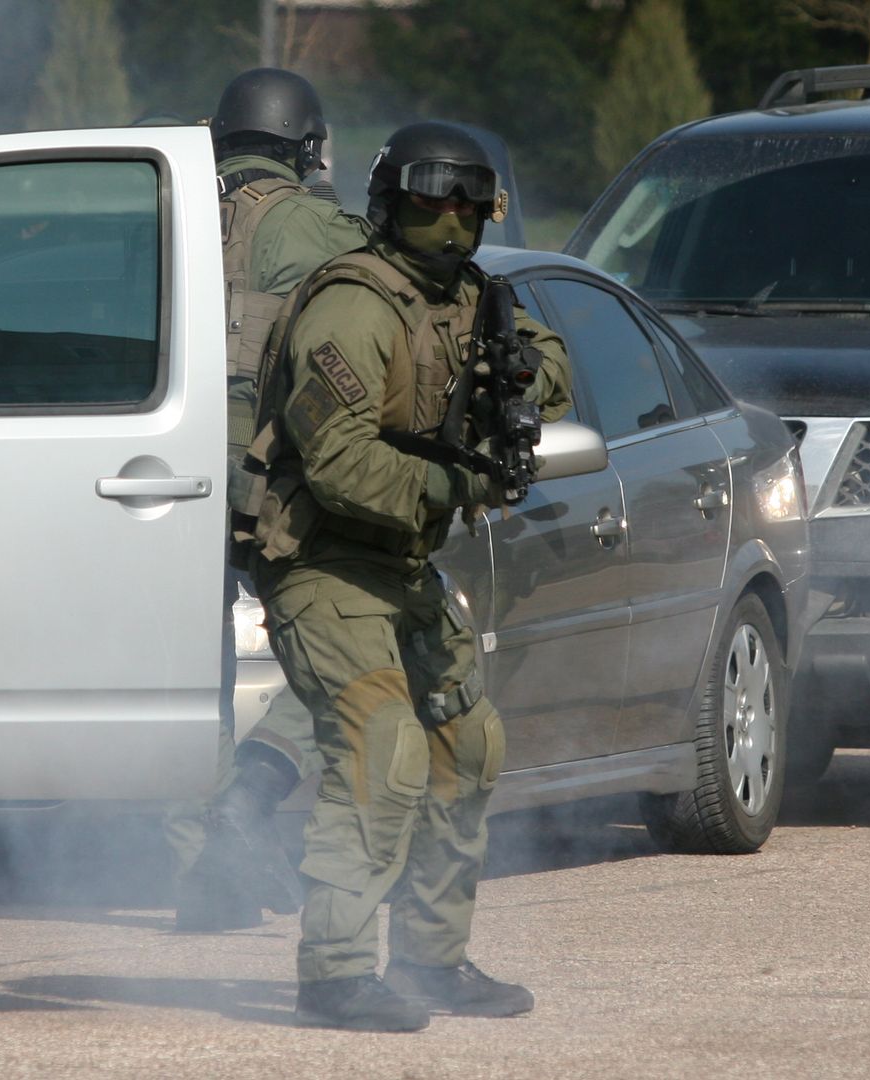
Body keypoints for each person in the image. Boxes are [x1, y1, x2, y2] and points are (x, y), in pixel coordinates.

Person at [244, 120, 571, 1031]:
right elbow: (341, 461)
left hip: (405, 563)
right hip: (323, 560)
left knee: (466, 746)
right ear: (391, 201)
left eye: (470, 197)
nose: (453, 214)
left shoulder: (470, 296)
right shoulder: (355, 302)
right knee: (383, 746)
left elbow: (554, 364)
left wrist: (517, 378)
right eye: (432, 194)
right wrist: (456, 476)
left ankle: (432, 961)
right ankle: (336, 972)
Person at [169, 67, 371, 932]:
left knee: (190, 683)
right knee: (353, 653)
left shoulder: (168, 215)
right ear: (305, 147)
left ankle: (204, 878)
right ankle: (254, 795)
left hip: (165, 469)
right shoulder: (319, 225)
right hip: (272, 475)